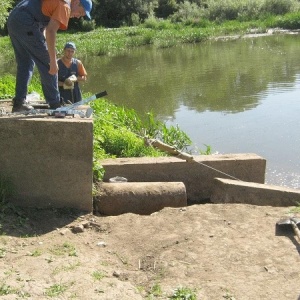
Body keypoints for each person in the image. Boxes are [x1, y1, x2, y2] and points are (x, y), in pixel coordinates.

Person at [7, 0, 92, 112]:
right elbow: (51, 32)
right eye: (80, 12)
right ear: (76, 2)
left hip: (15, 19)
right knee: (49, 65)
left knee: (25, 63)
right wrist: (52, 60)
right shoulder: (65, 6)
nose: (78, 17)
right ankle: (55, 105)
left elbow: (44, 28)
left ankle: (19, 103)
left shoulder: (59, 3)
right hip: (26, 21)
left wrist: (45, 46)